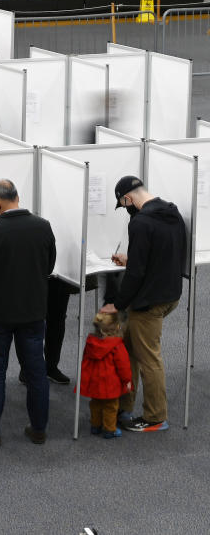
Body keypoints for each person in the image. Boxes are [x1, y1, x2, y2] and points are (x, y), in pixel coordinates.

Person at [0, 179, 55, 447]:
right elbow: (49, 265)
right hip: (33, 312)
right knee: (36, 371)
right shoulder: (43, 227)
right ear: (17, 197)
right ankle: (39, 429)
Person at [100, 175, 186, 433]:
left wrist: (117, 303)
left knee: (148, 359)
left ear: (128, 198)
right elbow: (161, 255)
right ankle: (125, 407)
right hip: (171, 294)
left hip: (148, 302)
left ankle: (156, 417)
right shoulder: (172, 213)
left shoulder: (140, 223)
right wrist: (131, 258)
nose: (125, 208)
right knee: (130, 351)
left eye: (123, 204)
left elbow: (136, 274)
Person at [80, 312, 132, 439]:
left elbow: (85, 360)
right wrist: (128, 380)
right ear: (117, 327)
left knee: (95, 403)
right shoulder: (117, 345)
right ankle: (109, 429)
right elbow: (123, 366)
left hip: (94, 382)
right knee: (111, 406)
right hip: (110, 384)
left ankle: (95, 425)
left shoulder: (91, 342)